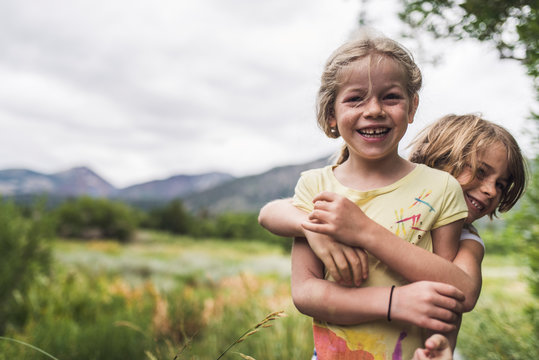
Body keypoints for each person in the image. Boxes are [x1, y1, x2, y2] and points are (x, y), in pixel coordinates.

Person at [261, 33, 472, 359]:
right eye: (355, 99)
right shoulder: (315, 186)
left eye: (390, 97)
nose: (373, 110)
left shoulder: (441, 188)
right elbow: (305, 292)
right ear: (331, 113)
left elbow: (450, 290)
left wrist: (442, 345)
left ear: (412, 106)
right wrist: (393, 302)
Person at [260, 113, 527, 358]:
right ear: (441, 157)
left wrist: (365, 232)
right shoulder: (381, 204)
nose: (492, 190)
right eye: (480, 172)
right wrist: (308, 224)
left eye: (501, 185)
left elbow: (464, 293)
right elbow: (270, 212)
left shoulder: (467, 239)